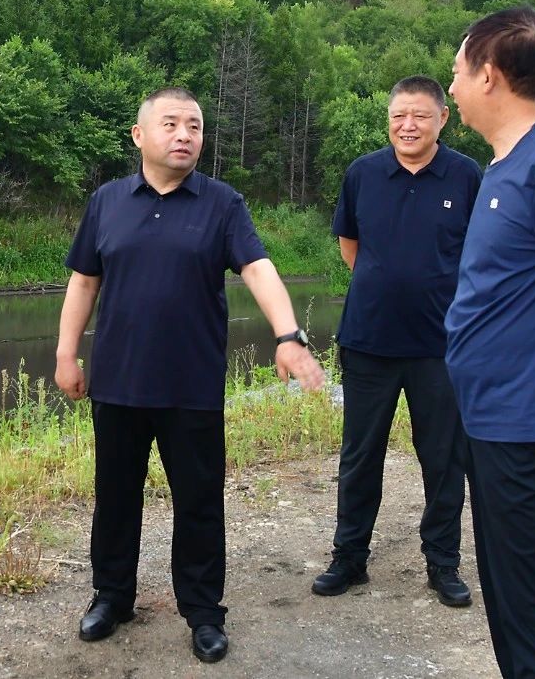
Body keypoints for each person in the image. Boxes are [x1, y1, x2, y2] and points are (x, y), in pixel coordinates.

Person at [55, 87, 325, 664]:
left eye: (195, 126)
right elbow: (84, 281)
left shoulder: (222, 203)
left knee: (199, 503)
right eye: (171, 124)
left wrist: (288, 336)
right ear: (139, 135)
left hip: (192, 386)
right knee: (115, 498)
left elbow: (258, 268)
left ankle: (203, 612)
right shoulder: (107, 202)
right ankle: (112, 597)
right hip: (119, 382)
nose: (184, 135)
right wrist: (65, 353)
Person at [311, 76, 481, 605]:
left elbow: (479, 253)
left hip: (442, 347)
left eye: (420, 116)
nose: (408, 126)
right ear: (388, 119)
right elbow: (350, 245)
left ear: (442, 119)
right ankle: (349, 557)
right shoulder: (363, 173)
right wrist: (387, 283)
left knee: (443, 459)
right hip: (370, 341)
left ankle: (443, 563)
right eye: (399, 116)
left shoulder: (466, 176)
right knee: (360, 456)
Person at [444, 6, 535, 678]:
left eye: (457, 71)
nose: (452, 86)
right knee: (511, 604)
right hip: (491, 423)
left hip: (531, 433)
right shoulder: (505, 167)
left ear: (488, 75)